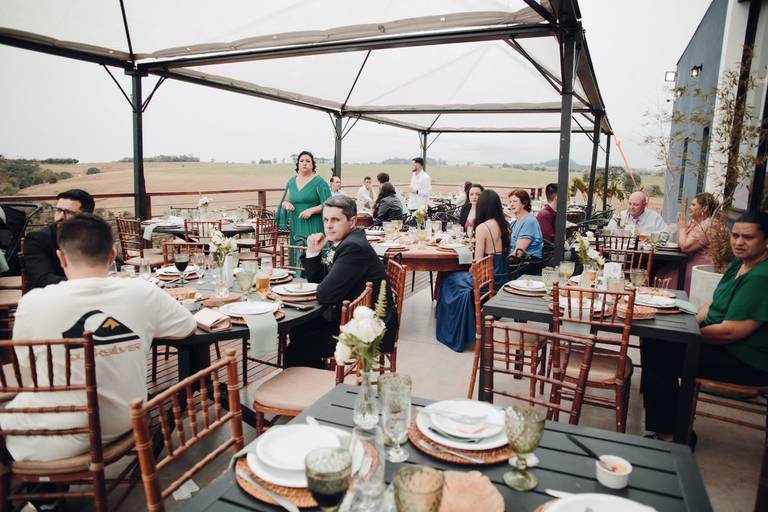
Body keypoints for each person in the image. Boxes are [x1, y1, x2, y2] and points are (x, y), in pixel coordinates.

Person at [2, 213, 196, 461]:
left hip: (54, 435)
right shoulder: (142, 292)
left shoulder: (33, 303)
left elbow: (26, 371)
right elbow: (187, 327)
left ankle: (26, 485)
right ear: (112, 255)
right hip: (124, 421)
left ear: (61, 258)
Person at [641, 211, 768, 442]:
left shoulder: (762, 277)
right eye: (736, 236)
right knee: (654, 338)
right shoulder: (739, 264)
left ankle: (673, 435)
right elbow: (713, 304)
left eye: (748, 237)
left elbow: (730, 332)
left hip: (744, 359)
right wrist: (689, 321)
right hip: (719, 342)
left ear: (766, 241)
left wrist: (688, 334)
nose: (739, 242)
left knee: (659, 353)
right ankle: (668, 424)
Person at [287, 195, 397, 368]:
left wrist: (322, 286)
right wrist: (313, 253)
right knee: (299, 328)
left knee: (298, 348)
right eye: (325, 220)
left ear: (352, 221)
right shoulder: (348, 241)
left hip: (370, 330)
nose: (328, 225)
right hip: (351, 317)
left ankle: (311, 382)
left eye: (335, 220)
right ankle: (317, 375)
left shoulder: (353, 247)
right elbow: (322, 283)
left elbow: (325, 295)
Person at [435, 190, 510, 351]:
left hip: (486, 276)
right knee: (456, 277)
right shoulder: (504, 224)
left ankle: (454, 328)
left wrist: (467, 271)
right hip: (501, 274)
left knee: (449, 279)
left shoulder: (483, 227)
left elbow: (477, 261)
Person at [24, 189, 95, 290]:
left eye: (69, 212)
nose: (60, 217)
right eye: (58, 210)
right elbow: (43, 279)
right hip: (52, 295)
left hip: (90, 293)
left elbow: (112, 264)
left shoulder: (94, 235)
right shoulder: (37, 239)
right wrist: (85, 284)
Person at [276, 151, 332, 260]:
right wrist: (287, 205)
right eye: (301, 161)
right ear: (298, 164)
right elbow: (285, 201)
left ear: (313, 165)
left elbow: (329, 204)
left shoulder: (319, 182)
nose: (304, 163)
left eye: (308, 161)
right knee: (297, 252)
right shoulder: (291, 182)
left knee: (313, 254)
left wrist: (311, 210)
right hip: (296, 224)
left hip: (314, 224)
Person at [674, 192, 718, 292]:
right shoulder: (695, 223)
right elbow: (679, 243)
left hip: (703, 267)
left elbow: (684, 247)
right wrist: (684, 228)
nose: (690, 207)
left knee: (668, 276)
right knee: (662, 269)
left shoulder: (708, 224)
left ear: (705, 208)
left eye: (693, 205)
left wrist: (682, 227)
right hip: (689, 261)